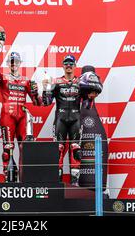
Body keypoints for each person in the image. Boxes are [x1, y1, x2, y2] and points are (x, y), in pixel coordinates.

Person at [0, 50, 41, 182]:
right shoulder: (4, 78)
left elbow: (37, 103)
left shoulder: (26, 81)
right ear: (7, 64)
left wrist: (36, 93)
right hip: (7, 115)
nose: (14, 64)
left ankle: (24, 179)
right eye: (11, 62)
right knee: (8, 148)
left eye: (16, 62)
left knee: (25, 148)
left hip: (22, 116)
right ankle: (8, 179)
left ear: (20, 63)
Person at [42, 55, 82, 185]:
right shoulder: (56, 82)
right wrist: (45, 88)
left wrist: (94, 93)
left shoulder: (81, 82)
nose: (69, 65)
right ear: (62, 65)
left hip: (76, 119)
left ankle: (74, 183)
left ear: (75, 65)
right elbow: (46, 102)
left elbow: (89, 100)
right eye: (66, 63)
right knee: (58, 149)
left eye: (71, 63)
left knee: (76, 150)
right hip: (60, 119)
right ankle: (57, 182)